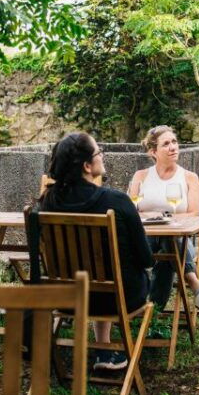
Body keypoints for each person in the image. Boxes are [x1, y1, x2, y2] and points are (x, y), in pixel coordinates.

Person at [39, 132, 152, 371]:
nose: (103, 156)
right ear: (87, 166)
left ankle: (103, 348)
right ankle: (105, 349)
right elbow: (146, 258)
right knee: (119, 277)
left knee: (97, 277)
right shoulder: (117, 201)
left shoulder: (47, 202)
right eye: (99, 152)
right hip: (116, 300)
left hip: (67, 300)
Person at [128, 125, 199, 314]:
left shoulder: (189, 177)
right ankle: (197, 287)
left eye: (174, 142)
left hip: (180, 237)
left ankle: (152, 315)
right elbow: (132, 211)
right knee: (170, 250)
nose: (173, 147)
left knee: (169, 246)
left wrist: (163, 219)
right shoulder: (141, 176)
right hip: (145, 239)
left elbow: (194, 214)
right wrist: (158, 218)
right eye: (166, 144)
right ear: (153, 152)